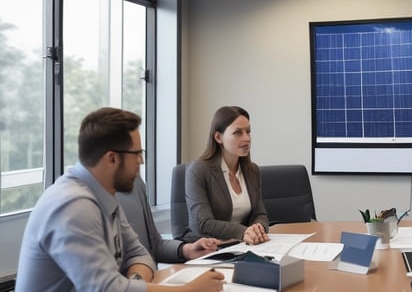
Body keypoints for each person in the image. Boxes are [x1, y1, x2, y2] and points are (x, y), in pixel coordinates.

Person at [16, 107, 224, 292]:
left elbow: (139, 253)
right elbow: (104, 288)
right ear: (112, 159)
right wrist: (189, 291)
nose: (141, 161)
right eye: (137, 154)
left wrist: (133, 282)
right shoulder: (73, 207)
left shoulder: (104, 195)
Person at [185, 106, 269, 245]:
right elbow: (204, 223)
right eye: (238, 133)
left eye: (248, 131)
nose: (247, 138)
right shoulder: (199, 170)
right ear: (218, 137)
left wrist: (257, 228)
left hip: (243, 245)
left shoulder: (252, 170)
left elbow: (260, 214)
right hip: (209, 249)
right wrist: (243, 232)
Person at [117, 175, 220, 264]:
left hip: (149, 279)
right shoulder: (102, 206)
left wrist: (187, 250)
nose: (142, 160)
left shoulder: (135, 182)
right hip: (135, 283)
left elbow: (155, 245)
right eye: (136, 154)